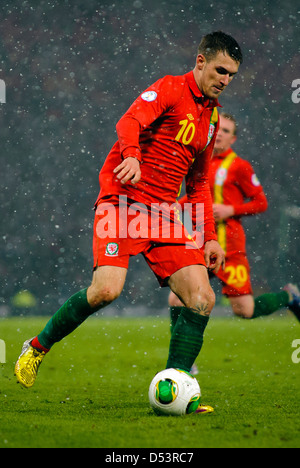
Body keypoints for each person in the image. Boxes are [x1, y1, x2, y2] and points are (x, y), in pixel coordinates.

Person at [15, 32, 242, 406]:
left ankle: (177, 386)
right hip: (122, 201)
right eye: (220, 70)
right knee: (106, 291)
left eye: (232, 74)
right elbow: (128, 122)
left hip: (164, 211)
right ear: (200, 61)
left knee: (201, 298)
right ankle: (38, 346)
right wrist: (133, 155)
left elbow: (199, 182)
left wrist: (210, 238)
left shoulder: (212, 118)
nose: (225, 80)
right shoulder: (170, 88)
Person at [169, 113, 300, 336]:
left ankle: (288, 296)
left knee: (245, 310)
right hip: (201, 245)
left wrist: (232, 209)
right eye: (217, 128)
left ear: (233, 139)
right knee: (178, 299)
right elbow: (195, 196)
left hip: (230, 248)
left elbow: (261, 202)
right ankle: (181, 363)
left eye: (227, 131)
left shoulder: (240, 166)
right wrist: (174, 206)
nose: (220, 133)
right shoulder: (198, 161)